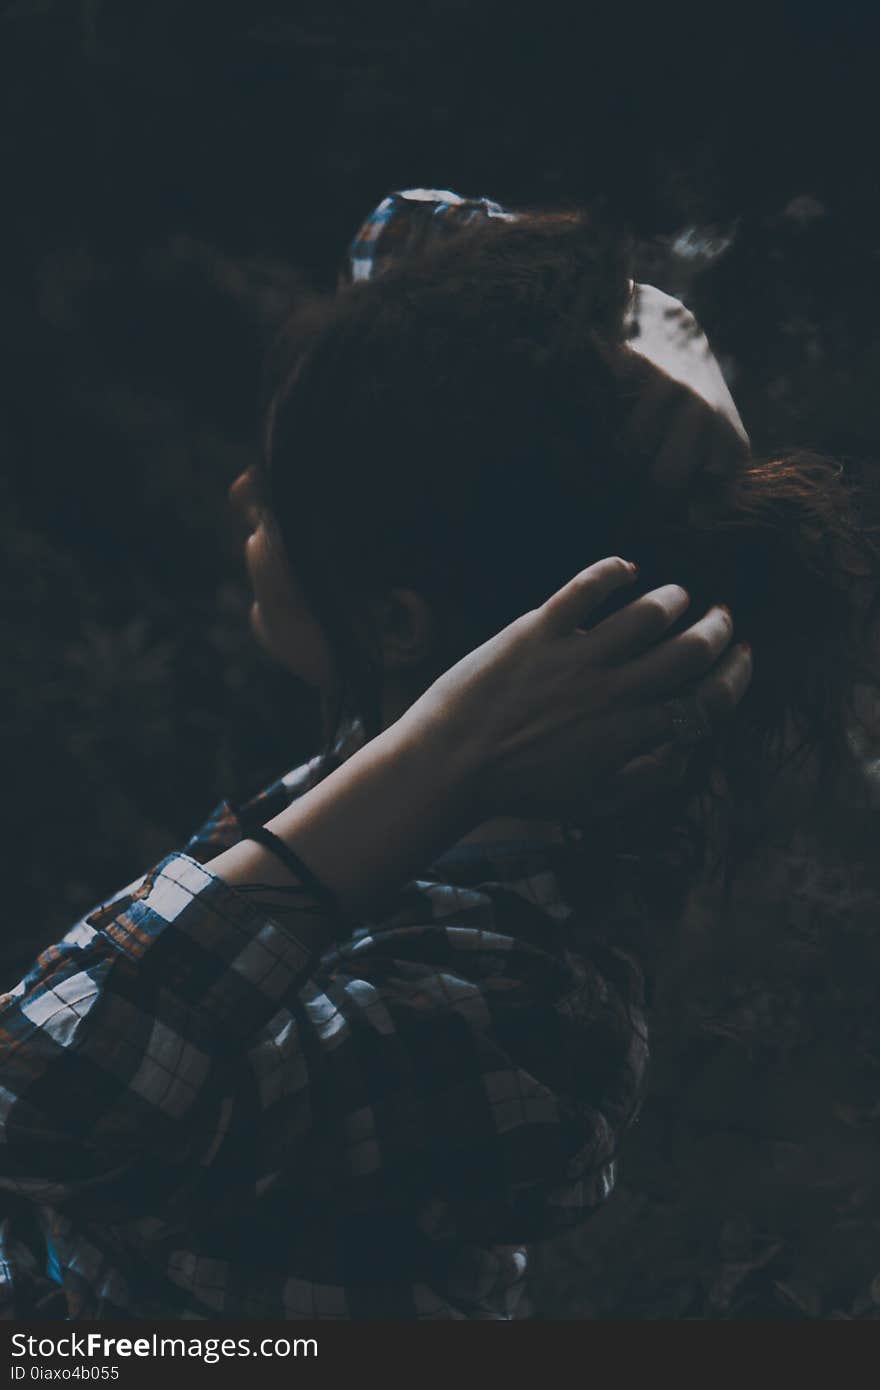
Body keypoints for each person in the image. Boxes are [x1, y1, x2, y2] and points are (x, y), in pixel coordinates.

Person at [0, 191, 873, 1320]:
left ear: (399, 620)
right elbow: (399, 238)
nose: (243, 495)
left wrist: (440, 749)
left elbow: (31, 1099)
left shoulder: (512, 1008)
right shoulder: (514, 780)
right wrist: (646, 319)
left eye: (283, 488)